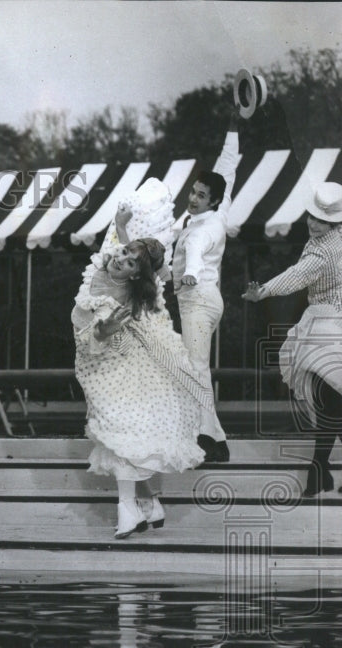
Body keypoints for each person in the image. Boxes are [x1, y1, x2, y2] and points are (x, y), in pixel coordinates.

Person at [73, 236, 214, 538]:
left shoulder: (132, 297)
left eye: (130, 262)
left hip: (126, 363)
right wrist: (101, 332)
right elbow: (83, 332)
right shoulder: (98, 270)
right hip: (97, 364)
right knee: (120, 432)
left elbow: (124, 339)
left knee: (123, 430)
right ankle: (149, 503)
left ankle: (128, 508)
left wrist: (108, 331)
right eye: (122, 253)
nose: (120, 259)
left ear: (135, 274)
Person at [243, 181, 342, 497]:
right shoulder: (329, 241)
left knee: (331, 400)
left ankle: (318, 471)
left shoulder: (322, 251)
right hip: (324, 323)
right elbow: (299, 271)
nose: (313, 223)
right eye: (312, 217)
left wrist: (263, 292)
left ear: (335, 223)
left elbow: (296, 275)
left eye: (321, 220)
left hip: (329, 326)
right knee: (331, 400)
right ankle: (320, 471)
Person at [165, 110, 245, 463]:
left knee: (195, 368)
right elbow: (227, 167)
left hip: (198, 300)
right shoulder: (219, 208)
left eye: (200, 195)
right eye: (194, 192)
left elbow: (196, 249)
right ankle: (208, 437)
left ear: (213, 202)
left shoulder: (206, 228)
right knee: (194, 368)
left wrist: (191, 273)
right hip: (203, 301)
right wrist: (234, 125)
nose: (193, 198)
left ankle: (215, 441)